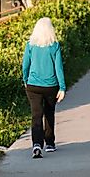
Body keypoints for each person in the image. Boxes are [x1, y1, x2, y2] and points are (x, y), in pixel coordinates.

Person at [22, 17, 66, 159]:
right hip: (50, 86)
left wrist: (25, 80)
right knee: (49, 113)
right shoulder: (54, 45)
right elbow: (58, 68)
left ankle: (36, 144)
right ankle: (50, 143)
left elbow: (25, 65)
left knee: (36, 115)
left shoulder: (30, 45)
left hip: (33, 85)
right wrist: (62, 87)